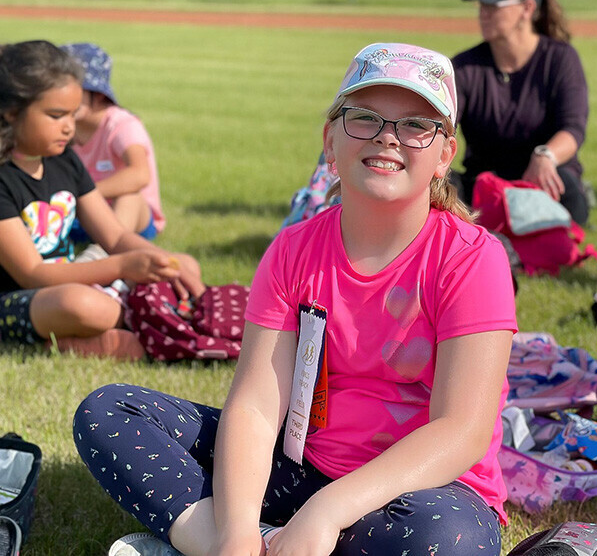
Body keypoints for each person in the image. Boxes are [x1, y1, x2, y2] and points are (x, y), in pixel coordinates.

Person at [73, 43, 517, 556]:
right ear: (331, 142)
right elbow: (258, 407)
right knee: (111, 411)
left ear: (444, 155)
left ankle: (240, 541)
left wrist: (327, 512)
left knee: (450, 540)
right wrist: (237, 528)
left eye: (417, 125)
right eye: (365, 118)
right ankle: (238, 545)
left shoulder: (471, 258)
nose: (388, 137)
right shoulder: (293, 249)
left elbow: (460, 430)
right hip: (299, 471)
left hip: (420, 493)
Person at [0, 39, 203, 350]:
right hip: (20, 296)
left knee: (183, 265)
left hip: (69, 280)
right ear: (12, 112)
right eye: (57, 116)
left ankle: (103, 336)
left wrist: (161, 260)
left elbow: (116, 237)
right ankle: (123, 329)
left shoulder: (64, 160)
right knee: (82, 304)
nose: (70, 127)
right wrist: (122, 267)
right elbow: (32, 273)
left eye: (73, 114)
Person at [451, 0, 591, 225]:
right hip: (484, 184)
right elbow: (445, 124)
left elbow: (573, 128)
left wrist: (545, 155)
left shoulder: (560, 59)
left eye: (493, 6)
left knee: (568, 194)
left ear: (527, 8)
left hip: (540, 179)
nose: (483, 13)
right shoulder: (464, 66)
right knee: (439, 185)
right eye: (481, 6)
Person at [60, 42, 165, 239]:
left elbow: (139, 175)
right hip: (83, 216)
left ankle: (104, 253)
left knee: (130, 195)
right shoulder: (62, 126)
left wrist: (83, 194)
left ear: (98, 95)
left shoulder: (121, 124)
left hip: (129, 219)